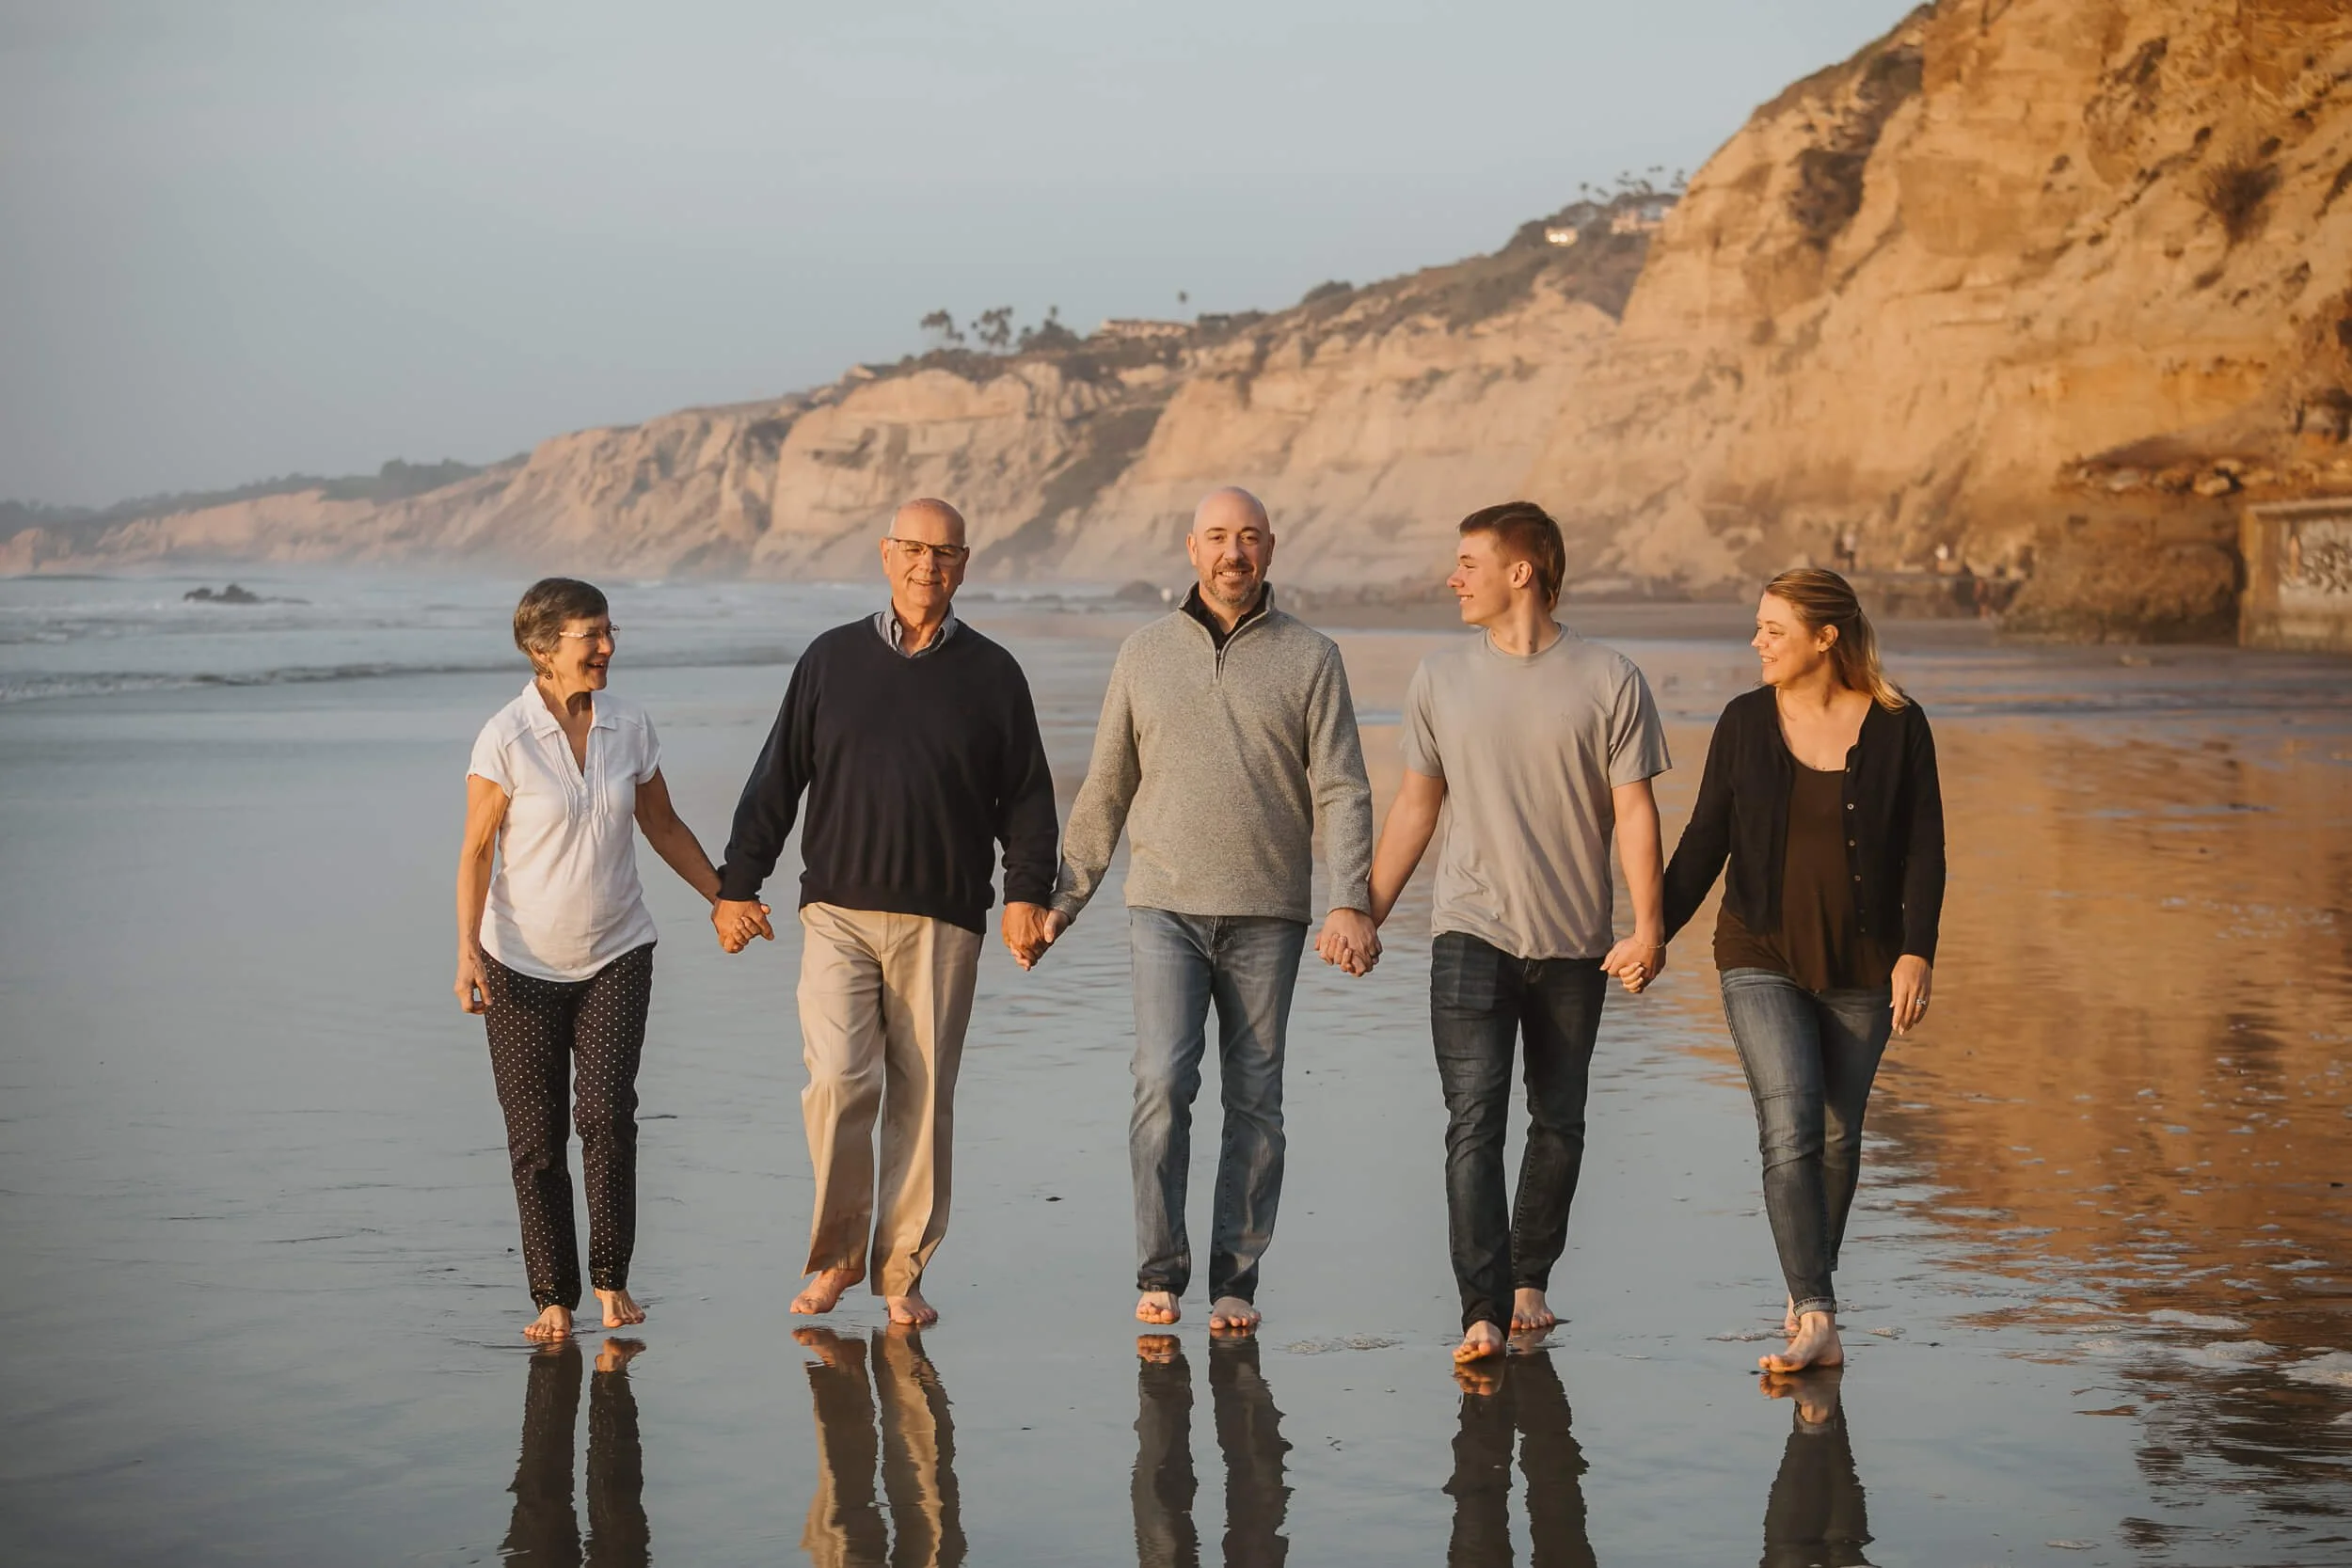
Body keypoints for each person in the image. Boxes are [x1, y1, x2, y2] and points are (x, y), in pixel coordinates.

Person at [712, 498, 1059, 1327]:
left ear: (965, 564)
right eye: (912, 549)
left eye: (944, 553)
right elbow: (777, 776)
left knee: (923, 1095)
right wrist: (736, 884)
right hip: (836, 909)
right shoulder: (830, 659)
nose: (926, 566)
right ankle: (834, 1257)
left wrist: (1027, 895)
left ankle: (900, 1270)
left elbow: (1031, 800)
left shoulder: (994, 672)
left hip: (944, 917)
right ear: (885, 553)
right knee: (838, 1080)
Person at [1044, 487, 1376, 1335]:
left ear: (1272, 548)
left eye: (1251, 538)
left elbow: (1340, 786)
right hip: (1164, 907)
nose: (1235, 553)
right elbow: (1107, 784)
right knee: (1162, 1083)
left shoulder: (1312, 655)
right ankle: (1161, 1270)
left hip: (1271, 910)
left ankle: (1236, 1280)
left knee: (1256, 1099)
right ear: (1191, 549)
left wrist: (1350, 896)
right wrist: (1065, 897)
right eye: (1219, 538)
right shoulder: (1143, 653)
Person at [1365, 501, 1671, 1365]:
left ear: (1521, 572)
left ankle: (1529, 1273)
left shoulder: (1611, 677)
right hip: (1470, 931)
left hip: (1575, 941)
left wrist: (1649, 930)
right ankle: (1481, 1309)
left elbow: (1636, 811)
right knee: (1474, 1121)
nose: (1453, 578)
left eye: (1469, 562)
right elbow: (1415, 808)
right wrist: (1366, 912)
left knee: (1560, 1122)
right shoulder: (1439, 677)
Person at [1646, 566, 1944, 1373]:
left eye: (1774, 629)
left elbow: (1925, 848)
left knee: (1839, 1136)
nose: (1757, 642)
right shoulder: (1745, 721)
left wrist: (1919, 948)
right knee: (1790, 1123)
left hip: (1867, 963)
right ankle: (1815, 1312)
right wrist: (1653, 932)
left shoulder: (1898, 723)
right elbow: (1706, 840)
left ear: (1825, 638)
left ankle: (1809, 1282)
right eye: (1759, 625)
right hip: (1760, 951)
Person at [455, 578, 739, 1341]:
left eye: (610, 631)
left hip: (618, 950)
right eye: (591, 635)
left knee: (607, 1117)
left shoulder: (629, 725)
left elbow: (663, 822)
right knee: (537, 1136)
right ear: (543, 649)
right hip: (516, 962)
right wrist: (466, 955)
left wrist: (723, 896)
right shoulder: (505, 737)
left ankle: (611, 1281)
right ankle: (553, 1295)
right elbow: (477, 850)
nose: (607, 647)